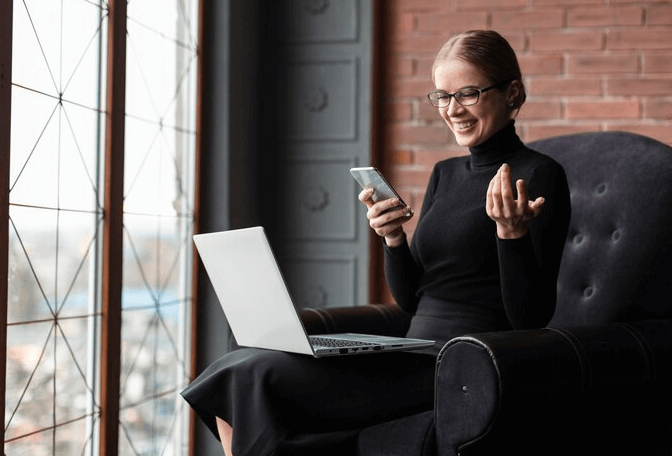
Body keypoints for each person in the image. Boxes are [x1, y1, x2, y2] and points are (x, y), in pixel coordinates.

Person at [182, 30, 571, 456]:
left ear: (512, 92)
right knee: (234, 368)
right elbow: (410, 300)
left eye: (469, 93)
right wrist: (392, 239)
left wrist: (510, 235)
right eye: (442, 96)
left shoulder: (539, 174)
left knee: (253, 376)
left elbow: (531, 320)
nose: (452, 109)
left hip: (457, 365)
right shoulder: (445, 173)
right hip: (409, 349)